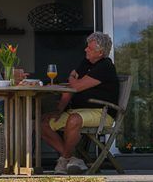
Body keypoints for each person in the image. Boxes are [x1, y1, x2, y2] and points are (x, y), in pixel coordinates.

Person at [40, 31, 120, 173]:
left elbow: (75, 87)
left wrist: (72, 76)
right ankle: (73, 159)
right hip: (78, 111)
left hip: (102, 113)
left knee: (73, 120)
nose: (85, 49)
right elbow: (71, 89)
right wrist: (59, 110)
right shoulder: (87, 62)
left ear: (100, 52)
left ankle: (63, 160)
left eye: (89, 48)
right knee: (44, 123)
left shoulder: (105, 67)